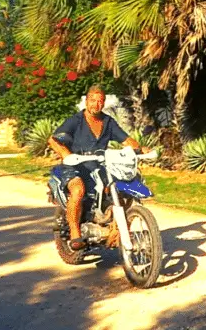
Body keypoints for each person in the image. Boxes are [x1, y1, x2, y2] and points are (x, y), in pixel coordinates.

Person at [48, 85, 142, 250]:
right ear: (87, 101)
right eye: (93, 100)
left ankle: (115, 226)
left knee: (121, 191)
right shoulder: (76, 121)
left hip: (98, 166)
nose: (96, 104)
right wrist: (65, 154)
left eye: (100, 101)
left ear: (103, 103)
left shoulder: (108, 122)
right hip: (74, 165)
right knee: (78, 190)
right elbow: (54, 140)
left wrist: (140, 149)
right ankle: (75, 232)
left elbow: (127, 140)